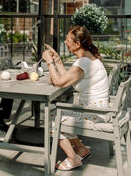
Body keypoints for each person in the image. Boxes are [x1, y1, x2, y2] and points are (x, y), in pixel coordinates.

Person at [42, 25, 109, 171]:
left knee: (51, 119)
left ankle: (73, 159)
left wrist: (49, 62)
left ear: (77, 44)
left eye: (67, 40)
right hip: (97, 109)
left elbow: (60, 82)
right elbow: (69, 77)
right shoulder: (87, 58)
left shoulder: (83, 62)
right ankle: (81, 149)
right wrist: (58, 60)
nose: (65, 42)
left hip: (93, 113)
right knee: (58, 113)